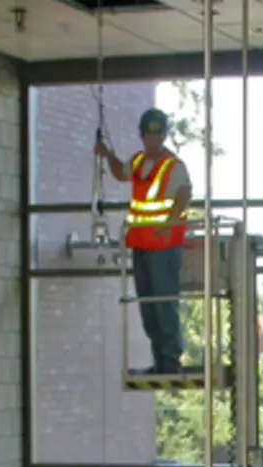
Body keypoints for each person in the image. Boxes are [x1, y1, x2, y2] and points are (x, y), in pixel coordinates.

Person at [95, 109, 194, 375]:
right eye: (149, 135)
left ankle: (171, 362)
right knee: (148, 306)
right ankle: (160, 362)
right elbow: (121, 173)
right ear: (142, 136)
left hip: (164, 246)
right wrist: (107, 156)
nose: (153, 140)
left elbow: (185, 193)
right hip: (141, 244)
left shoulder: (172, 166)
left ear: (163, 136)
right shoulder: (139, 162)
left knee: (164, 305)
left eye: (157, 135)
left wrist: (168, 224)